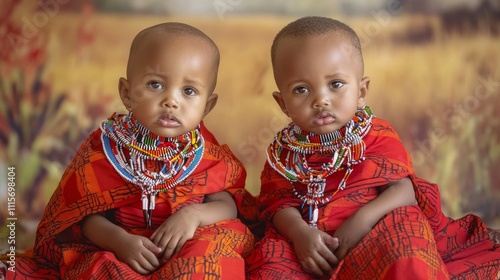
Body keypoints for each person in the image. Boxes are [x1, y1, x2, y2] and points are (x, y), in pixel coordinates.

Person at [245, 16, 500, 279]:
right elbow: (278, 205)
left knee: (406, 243)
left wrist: (361, 222)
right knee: (269, 264)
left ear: (362, 91)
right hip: (310, 237)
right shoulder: (283, 153)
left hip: (376, 228)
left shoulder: (376, 134)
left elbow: (404, 191)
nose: (321, 100)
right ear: (282, 103)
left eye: (336, 84)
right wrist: (300, 234)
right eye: (301, 89)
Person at [7, 22, 256, 279]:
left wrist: (192, 216)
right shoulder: (104, 150)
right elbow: (86, 218)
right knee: (98, 267)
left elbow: (228, 206)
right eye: (155, 85)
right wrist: (119, 242)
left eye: (189, 91)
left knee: (213, 256)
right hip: (123, 247)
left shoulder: (207, 154)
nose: (171, 100)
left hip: (189, 241)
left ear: (207, 106)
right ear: (127, 93)